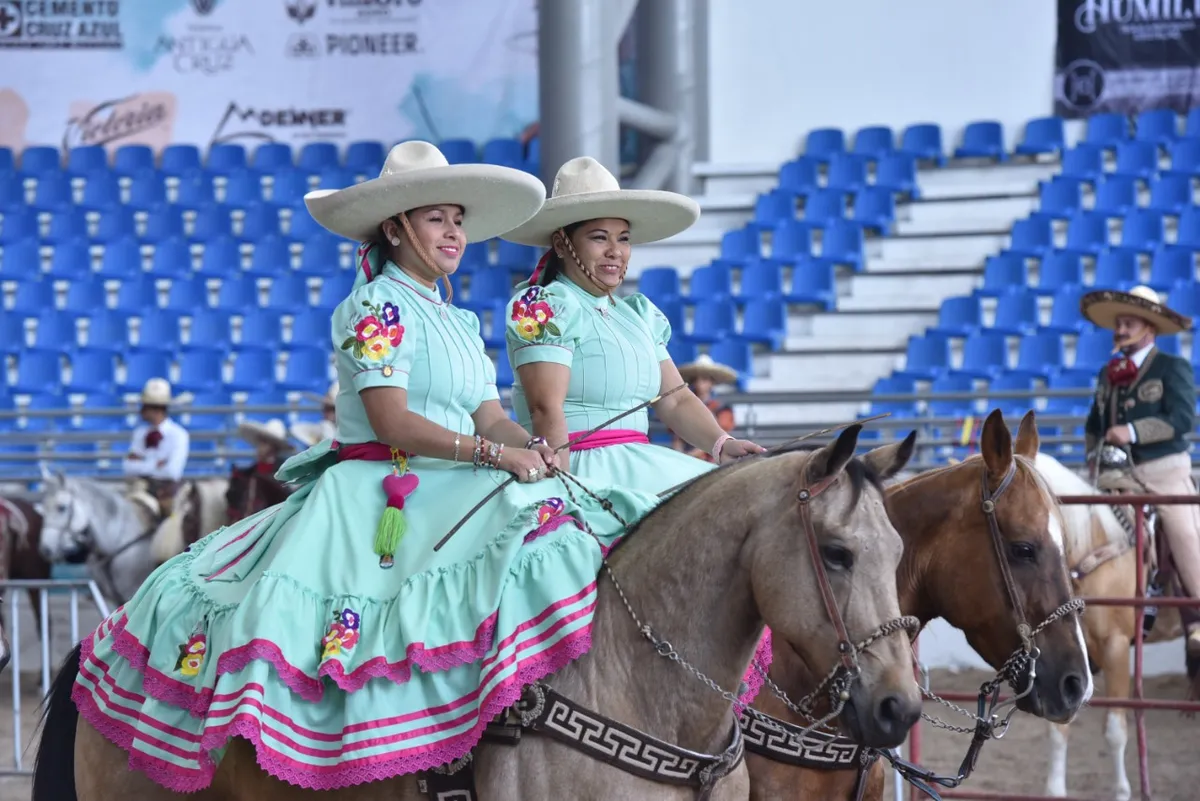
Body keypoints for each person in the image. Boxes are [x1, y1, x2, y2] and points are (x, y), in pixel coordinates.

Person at [72, 141, 662, 792]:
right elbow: (394, 422)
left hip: (456, 480)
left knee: (538, 551)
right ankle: (399, 766)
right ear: (396, 227)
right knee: (380, 631)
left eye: (458, 220)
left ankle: (502, 737)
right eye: (437, 219)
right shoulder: (375, 308)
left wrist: (532, 447)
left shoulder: (459, 319)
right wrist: (498, 453)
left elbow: (490, 414)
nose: (454, 233)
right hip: (379, 490)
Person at [501, 156, 764, 495]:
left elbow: (676, 400)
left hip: (641, 463)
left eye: (623, 239)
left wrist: (721, 444)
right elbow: (544, 408)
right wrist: (561, 493)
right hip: (579, 469)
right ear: (562, 243)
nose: (615, 251)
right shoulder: (541, 307)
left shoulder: (638, 315)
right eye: (600, 238)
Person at [1082, 285, 1200, 681]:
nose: (1120, 328)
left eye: (1128, 322)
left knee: (1184, 534)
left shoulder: (1172, 367)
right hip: (1116, 476)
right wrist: (1092, 460)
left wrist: (1131, 431)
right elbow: (1093, 427)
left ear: (1149, 328)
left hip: (1163, 472)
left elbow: (1183, 420)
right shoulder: (1107, 374)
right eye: (1118, 322)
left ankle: (1199, 612)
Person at [122, 377, 192, 519]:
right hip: (141, 487)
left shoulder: (179, 435)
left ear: (155, 410)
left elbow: (172, 472)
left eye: (145, 407)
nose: (141, 411)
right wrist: (156, 464)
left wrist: (142, 464)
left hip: (167, 491)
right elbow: (128, 467)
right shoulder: (140, 433)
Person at [225, 418, 295, 524]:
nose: (260, 447)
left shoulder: (282, 476)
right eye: (260, 442)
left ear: (273, 447)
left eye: (264, 443)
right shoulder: (247, 475)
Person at [673, 353, 738, 461]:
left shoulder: (722, 409)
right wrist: (679, 455)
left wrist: (690, 456)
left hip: (711, 459)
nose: (699, 383)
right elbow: (678, 437)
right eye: (696, 379)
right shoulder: (686, 407)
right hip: (686, 457)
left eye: (704, 379)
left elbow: (719, 437)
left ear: (711, 383)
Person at [290, 381, 338, 447]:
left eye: (332, 409)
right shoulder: (323, 428)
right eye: (325, 408)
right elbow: (296, 429)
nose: (325, 412)